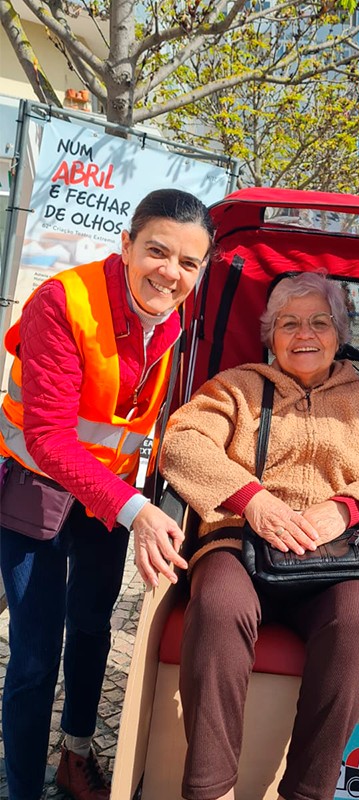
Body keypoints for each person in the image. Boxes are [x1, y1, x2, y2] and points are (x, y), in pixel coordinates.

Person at [160, 272, 359, 800]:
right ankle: (210, 789)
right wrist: (250, 499)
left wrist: (345, 509)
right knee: (217, 605)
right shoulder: (235, 388)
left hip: (337, 557)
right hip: (239, 542)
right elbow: (181, 442)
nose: (305, 334)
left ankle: (308, 792)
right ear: (270, 334)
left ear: (339, 333)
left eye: (319, 322)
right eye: (289, 323)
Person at [0, 189, 214, 800]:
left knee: (93, 629)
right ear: (126, 245)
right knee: (36, 651)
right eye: (157, 252)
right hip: (36, 488)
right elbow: (47, 436)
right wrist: (137, 509)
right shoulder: (63, 302)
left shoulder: (177, 321)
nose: (170, 273)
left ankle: (75, 755)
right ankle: (22, 788)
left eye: (188, 263)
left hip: (107, 501)